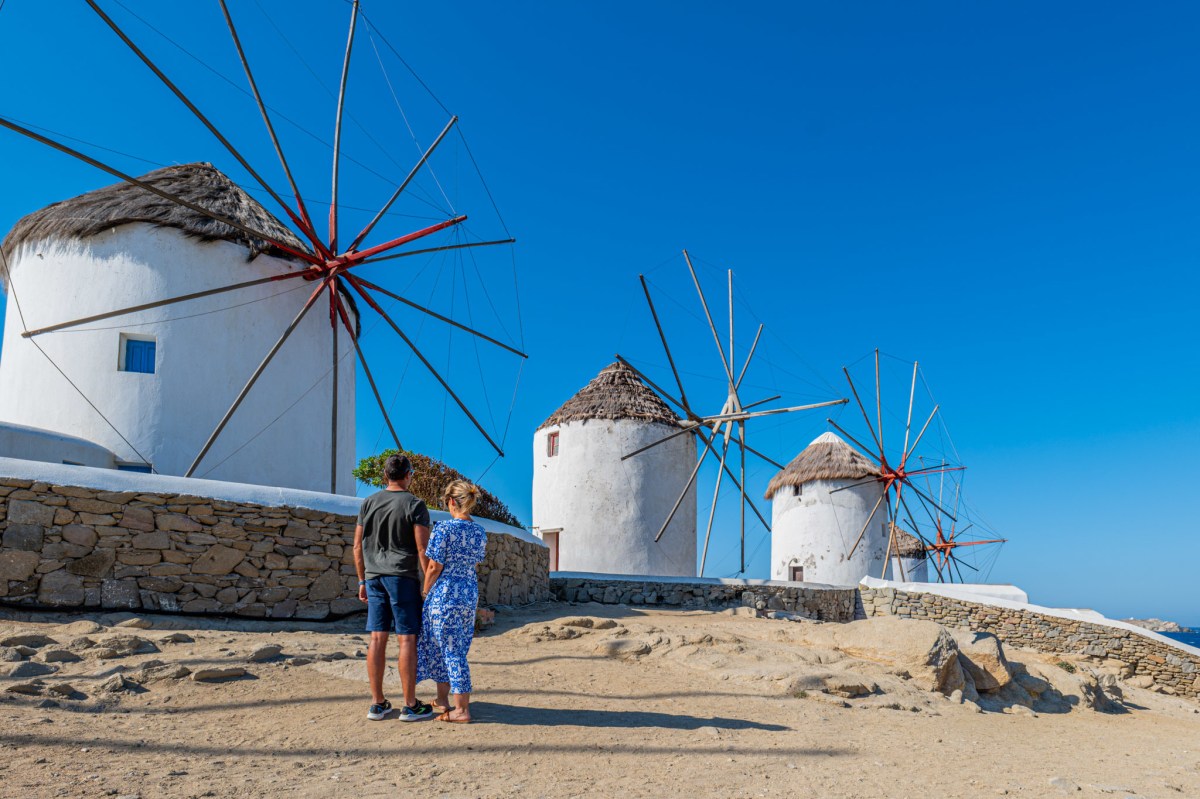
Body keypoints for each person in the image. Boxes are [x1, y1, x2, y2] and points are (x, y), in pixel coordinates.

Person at [353, 453, 434, 721]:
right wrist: (428, 583)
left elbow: (357, 545)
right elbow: (422, 548)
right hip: (402, 578)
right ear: (409, 475)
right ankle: (410, 705)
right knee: (407, 638)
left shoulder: (368, 503)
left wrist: (362, 580)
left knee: (377, 638)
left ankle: (377, 704)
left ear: (385, 475)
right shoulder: (415, 504)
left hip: (374, 577)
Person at [417, 479, 489, 723]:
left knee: (451, 650)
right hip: (468, 593)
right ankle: (442, 700)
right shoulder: (479, 531)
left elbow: (434, 566)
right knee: (451, 647)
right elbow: (475, 562)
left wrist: (425, 591)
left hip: (445, 594)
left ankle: (461, 710)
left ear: (451, 501)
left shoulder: (444, 529)